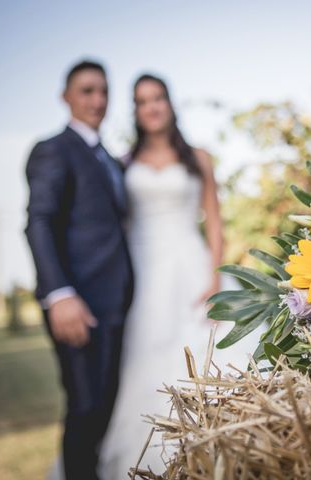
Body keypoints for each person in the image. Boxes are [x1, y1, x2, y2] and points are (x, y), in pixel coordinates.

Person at [99, 73, 230, 478]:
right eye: (142, 101)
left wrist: (216, 276)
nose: (151, 106)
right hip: (142, 275)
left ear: (170, 104)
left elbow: (215, 222)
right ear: (135, 111)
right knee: (144, 359)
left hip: (191, 267)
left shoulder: (199, 157)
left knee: (204, 352)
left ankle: (211, 451)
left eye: (158, 98)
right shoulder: (123, 163)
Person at [25, 60, 133, 480]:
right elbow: (38, 221)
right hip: (78, 305)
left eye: (103, 91)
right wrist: (60, 294)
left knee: (105, 408)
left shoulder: (108, 157)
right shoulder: (53, 149)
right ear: (65, 96)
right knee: (85, 409)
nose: (97, 100)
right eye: (87, 91)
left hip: (115, 304)